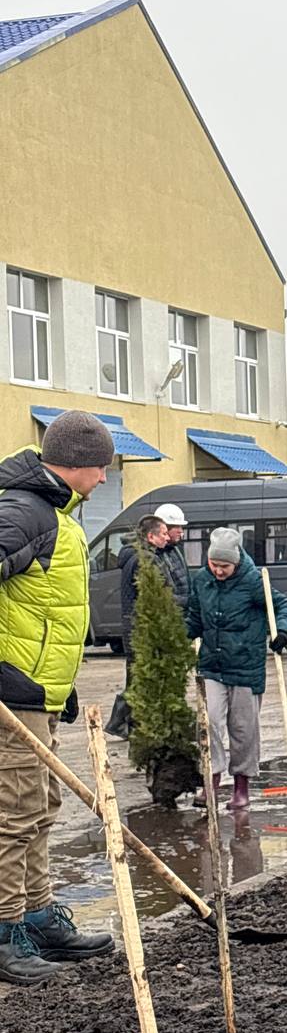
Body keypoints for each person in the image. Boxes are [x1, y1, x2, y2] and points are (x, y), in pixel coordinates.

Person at [0, 410, 116, 986]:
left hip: (39, 694)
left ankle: (38, 915)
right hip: (12, 694)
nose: (103, 480)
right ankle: (3, 932)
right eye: (100, 469)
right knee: (11, 814)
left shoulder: (55, 514)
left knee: (40, 808)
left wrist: (60, 688)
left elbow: (45, 612)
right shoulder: (24, 511)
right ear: (76, 466)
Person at [187, 527, 287, 810]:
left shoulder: (253, 581)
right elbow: (194, 617)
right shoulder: (202, 581)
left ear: (236, 561)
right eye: (214, 565)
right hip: (212, 664)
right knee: (208, 721)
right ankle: (210, 781)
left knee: (243, 729)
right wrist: (177, 636)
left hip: (246, 667)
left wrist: (281, 632)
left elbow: (283, 606)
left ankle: (241, 788)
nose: (219, 571)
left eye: (224, 566)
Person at [107, 515, 170, 740]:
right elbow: (154, 595)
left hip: (134, 625)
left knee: (136, 676)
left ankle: (131, 724)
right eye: (163, 533)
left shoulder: (135, 556)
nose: (167, 537)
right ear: (151, 536)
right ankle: (120, 722)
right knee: (140, 677)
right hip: (141, 626)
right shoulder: (145, 560)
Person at [154, 502, 190, 612]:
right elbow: (161, 594)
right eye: (177, 526)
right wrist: (188, 602)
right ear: (164, 528)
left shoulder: (174, 549)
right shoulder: (154, 556)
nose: (181, 531)